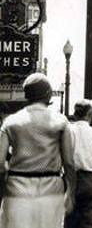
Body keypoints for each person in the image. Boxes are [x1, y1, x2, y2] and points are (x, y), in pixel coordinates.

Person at [0, 73, 75, 228]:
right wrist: (71, 193)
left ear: (26, 94)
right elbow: (69, 163)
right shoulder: (61, 122)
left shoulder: (10, 122)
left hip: (17, 189)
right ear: (48, 94)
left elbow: (0, 164)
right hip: (51, 189)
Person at [65, 99, 92, 228]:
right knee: (91, 222)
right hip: (91, 181)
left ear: (75, 113)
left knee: (70, 220)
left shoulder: (67, 132)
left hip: (70, 179)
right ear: (90, 114)